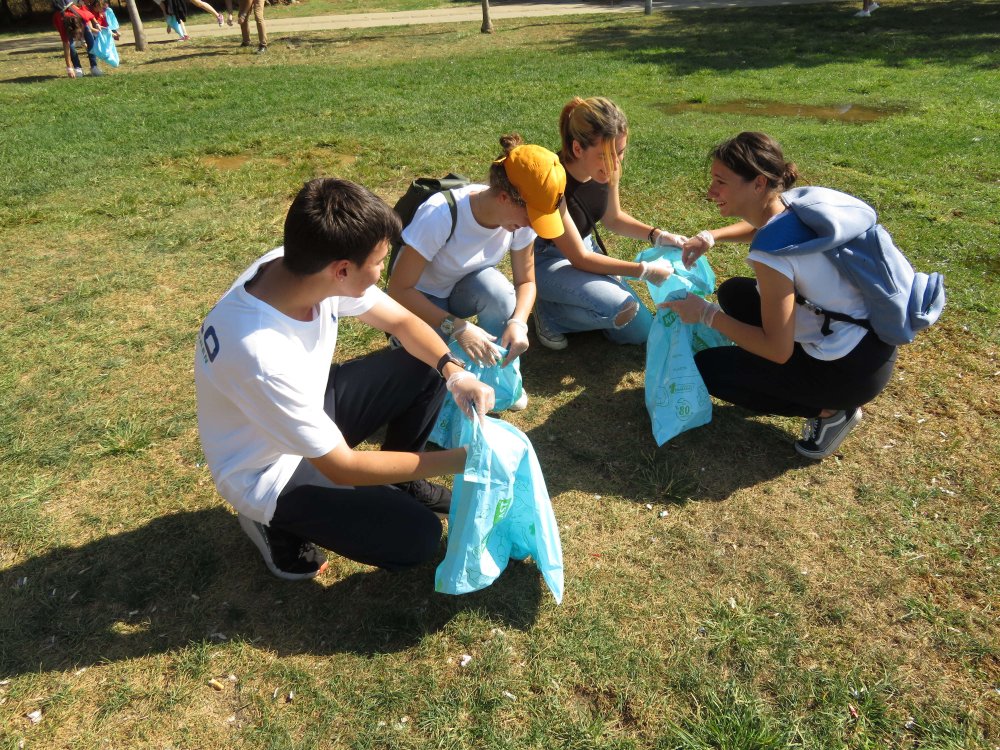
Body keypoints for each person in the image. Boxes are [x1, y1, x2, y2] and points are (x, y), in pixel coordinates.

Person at [195, 178, 495, 580]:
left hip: (306, 404)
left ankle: (402, 482)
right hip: (266, 470)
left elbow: (404, 322)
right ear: (341, 271)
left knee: (425, 363)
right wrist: (464, 461)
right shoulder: (261, 354)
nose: (382, 271)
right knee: (418, 538)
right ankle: (270, 521)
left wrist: (453, 372)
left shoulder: (298, 266)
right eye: (378, 263)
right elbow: (344, 466)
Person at [664, 132, 897, 459]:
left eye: (721, 181)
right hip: (873, 344)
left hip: (849, 375)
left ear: (758, 183)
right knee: (735, 293)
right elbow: (765, 226)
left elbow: (776, 350)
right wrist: (710, 236)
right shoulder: (797, 203)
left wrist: (706, 314)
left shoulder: (771, 256)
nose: (710, 191)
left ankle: (829, 413)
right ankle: (800, 378)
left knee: (709, 370)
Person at [388, 135, 565, 411]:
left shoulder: (521, 221)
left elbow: (526, 281)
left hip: (459, 291)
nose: (533, 226)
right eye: (531, 217)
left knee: (500, 294)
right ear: (505, 198)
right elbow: (398, 290)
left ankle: (496, 375)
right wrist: (456, 326)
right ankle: (414, 350)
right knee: (425, 384)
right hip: (418, 301)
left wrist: (519, 322)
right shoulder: (441, 214)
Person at [532, 96, 686, 350]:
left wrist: (658, 235)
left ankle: (587, 308)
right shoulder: (552, 182)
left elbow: (613, 218)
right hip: (547, 260)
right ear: (577, 149)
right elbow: (579, 258)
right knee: (620, 307)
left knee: (640, 330)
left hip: (585, 249)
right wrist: (643, 270)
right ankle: (551, 315)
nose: (615, 163)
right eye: (605, 155)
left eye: (620, 152)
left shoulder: (608, 169)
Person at [52, 0, 102, 78]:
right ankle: (77, 68)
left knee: (90, 37)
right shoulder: (61, 22)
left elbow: (89, 14)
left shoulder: (81, 14)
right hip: (63, 16)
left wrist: (96, 23)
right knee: (70, 45)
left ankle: (94, 66)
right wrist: (69, 68)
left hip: (75, 12)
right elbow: (66, 45)